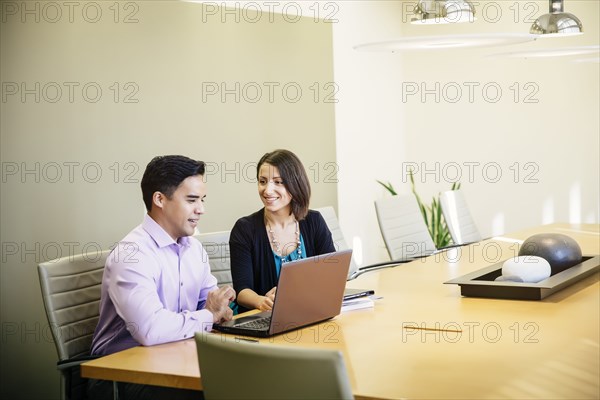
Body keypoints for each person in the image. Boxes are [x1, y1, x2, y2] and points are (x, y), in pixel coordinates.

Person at [89, 155, 235, 400]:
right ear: (159, 199)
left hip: (178, 358)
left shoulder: (194, 248)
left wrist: (221, 312)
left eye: (202, 200)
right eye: (192, 200)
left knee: (249, 375)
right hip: (121, 374)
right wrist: (209, 316)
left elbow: (209, 304)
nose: (201, 209)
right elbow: (151, 329)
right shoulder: (131, 254)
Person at [230, 149, 335, 313]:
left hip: (310, 310)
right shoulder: (244, 229)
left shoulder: (314, 221)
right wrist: (261, 301)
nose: (267, 190)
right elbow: (242, 291)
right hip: (264, 318)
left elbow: (331, 273)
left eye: (278, 182)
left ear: (295, 184)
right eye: (263, 181)